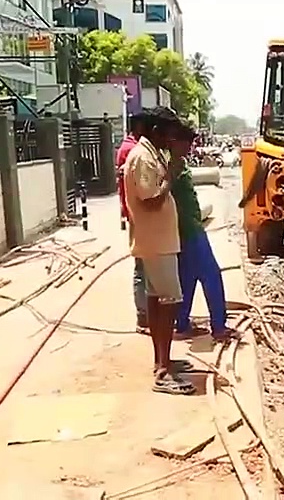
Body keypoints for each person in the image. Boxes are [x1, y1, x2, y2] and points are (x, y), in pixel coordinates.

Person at [122, 106, 195, 395]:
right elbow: (150, 199)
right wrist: (170, 177)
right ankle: (163, 372)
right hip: (156, 242)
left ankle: (161, 361)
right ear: (156, 132)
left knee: (157, 301)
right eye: (168, 134)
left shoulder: (151, 154)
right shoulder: (143, 157)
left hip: (159, 240)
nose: (171, 140)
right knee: (169, 303)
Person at [168, 126, 241, 342]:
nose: (189, 148)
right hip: (189, 230)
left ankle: (182, 324)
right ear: (175, 142)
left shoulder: (178, 163)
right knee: (211, 275)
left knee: (188, 277)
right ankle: (218, 326)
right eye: (187, 143)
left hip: (186, 228)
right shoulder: (171, 167)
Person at [116, 111, 152, 335]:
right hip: (138, 215)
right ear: (139, 127)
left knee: (145, 267)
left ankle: (147, 314)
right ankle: (143, 318)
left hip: (134, 213)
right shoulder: (133, 150)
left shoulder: (129, 148)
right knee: (142, 268)